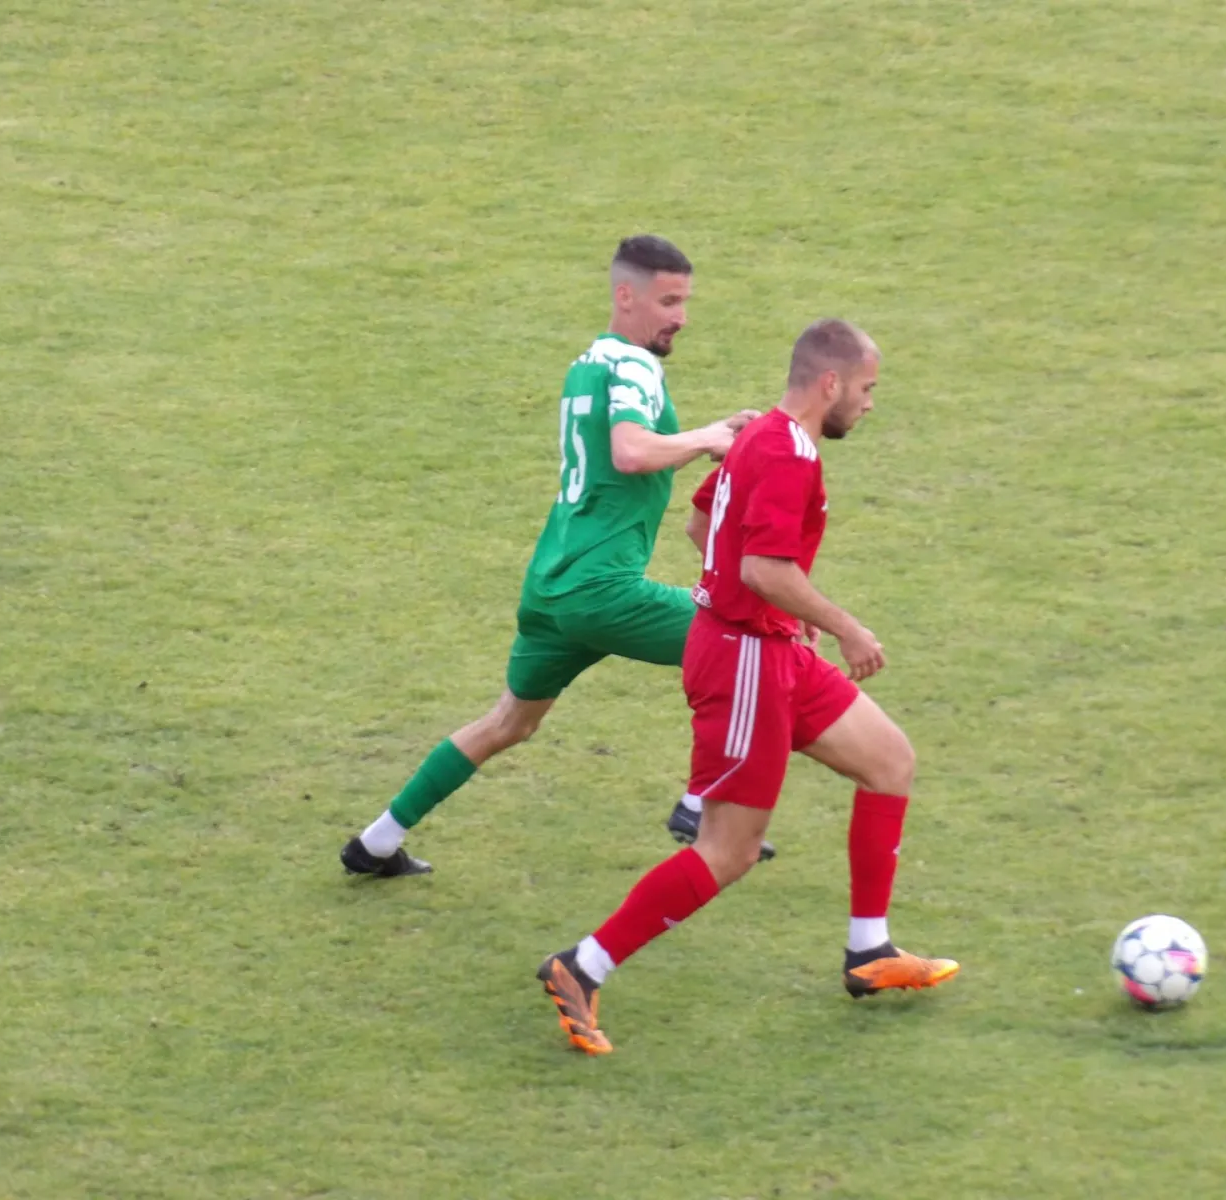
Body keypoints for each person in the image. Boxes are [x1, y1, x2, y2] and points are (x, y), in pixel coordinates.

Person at [537, 318, 959, 1055]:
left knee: (890, 761)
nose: (869, 404)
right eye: (865, 389)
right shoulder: (788, 454)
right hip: (744, 665)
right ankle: (582, 965)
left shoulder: (762, 433)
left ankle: (869, 951)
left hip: (771, 649)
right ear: (830, 383)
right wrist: (844, 626)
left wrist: (777, 613)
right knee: (728, 849)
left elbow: (703, 525)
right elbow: (763, 568)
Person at [342, 235, 765, 878]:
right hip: (601, 588)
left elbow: (622, 459)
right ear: (626, 296)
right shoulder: (636, 366)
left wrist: (709, 435)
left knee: (508, 723)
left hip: (551, 584)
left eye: (684, 301)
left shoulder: (588, 364)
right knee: (748, 643)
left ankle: (375, 842)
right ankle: (696, 806)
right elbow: (631, 452)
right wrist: (706, 437)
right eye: (668, 301)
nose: (681, 316)